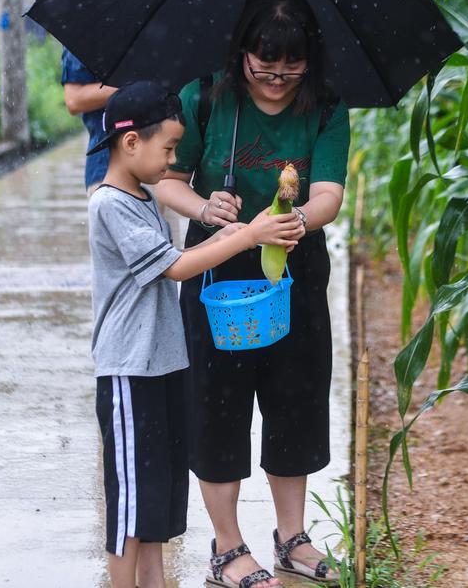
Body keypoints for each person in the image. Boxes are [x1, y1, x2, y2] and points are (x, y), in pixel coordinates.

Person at [154, 0, 350, 588]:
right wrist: (206, 206)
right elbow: (167, 180)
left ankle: (292, 537)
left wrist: (295, 221)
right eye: (263, 68)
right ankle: (228, 546)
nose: (277, 79)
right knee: (218, 404)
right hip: (217, 263)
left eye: (291, 69)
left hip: (294, 261)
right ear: (241, 55)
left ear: (309, 62)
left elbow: (329, 193)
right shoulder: (206, 97)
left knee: (295, 398)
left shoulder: (325, 106)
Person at [87, 80, 301, 588]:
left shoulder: (141, 197)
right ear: (131, 142)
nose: (173, 160)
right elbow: (177, 268)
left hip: (161, 364)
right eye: (168, 149)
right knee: (132, 498)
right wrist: (248, 235)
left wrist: (227, 228)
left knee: (159, 491)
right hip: (129, 370)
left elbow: (178, 257)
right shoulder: (110, 204)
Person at [61, 48, 118, 193]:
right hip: (107, 167)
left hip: (156, 167)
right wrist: (132, 85)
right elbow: (74, 100)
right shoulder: (85, 33)